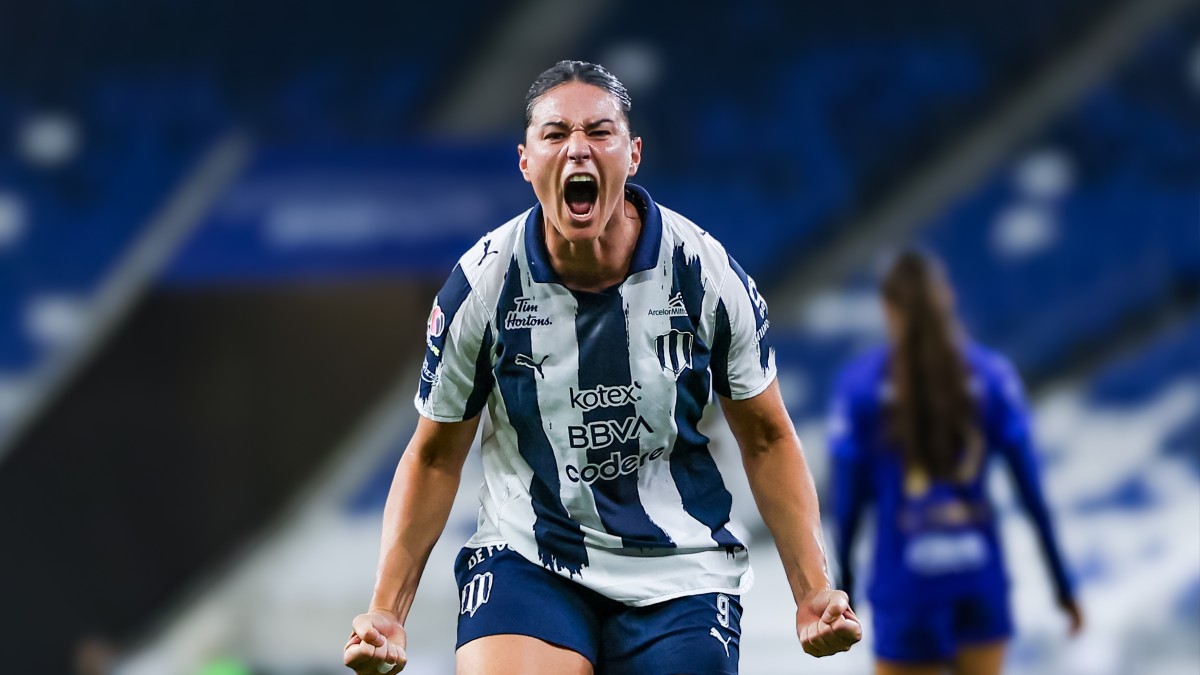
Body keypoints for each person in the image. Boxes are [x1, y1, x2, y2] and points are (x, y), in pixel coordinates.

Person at [343, 60, 861, 674]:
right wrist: (387, 610)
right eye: (556, 134)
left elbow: (768, 436)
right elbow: (434, 455)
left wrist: (812, 593)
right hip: (530, 556)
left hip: (680, 568)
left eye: (599, 131)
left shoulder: (705, 274)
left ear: (633, 154)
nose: (578, 149)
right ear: (526, 161)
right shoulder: (482, 286)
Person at [828, 250, 1083, 675]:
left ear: (888, 310)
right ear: (946, 298)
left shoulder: (860, 388)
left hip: (906, 584)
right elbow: (1033, 496)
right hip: (980, 580)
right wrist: (1064, 588)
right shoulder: (994, 376)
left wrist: (844, 589)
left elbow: (847, 507)